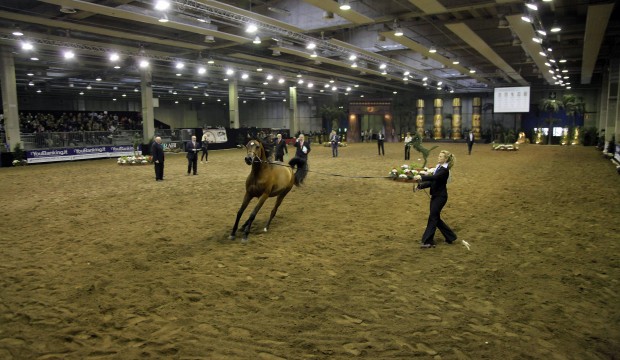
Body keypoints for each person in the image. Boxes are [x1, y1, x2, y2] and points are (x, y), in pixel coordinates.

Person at [413, 150, 457, 248]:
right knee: (435, 218)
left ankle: (428, 241)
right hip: (436, 196)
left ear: (445, 159)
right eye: (439, 156)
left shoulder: (444, 170)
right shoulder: (439, 168)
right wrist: (420, 186)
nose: (438, 157)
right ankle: (450, 236)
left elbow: (434, 178)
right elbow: (433, 182)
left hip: (440, 197)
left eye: (441, 156)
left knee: (433, 217)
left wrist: (421, 177)